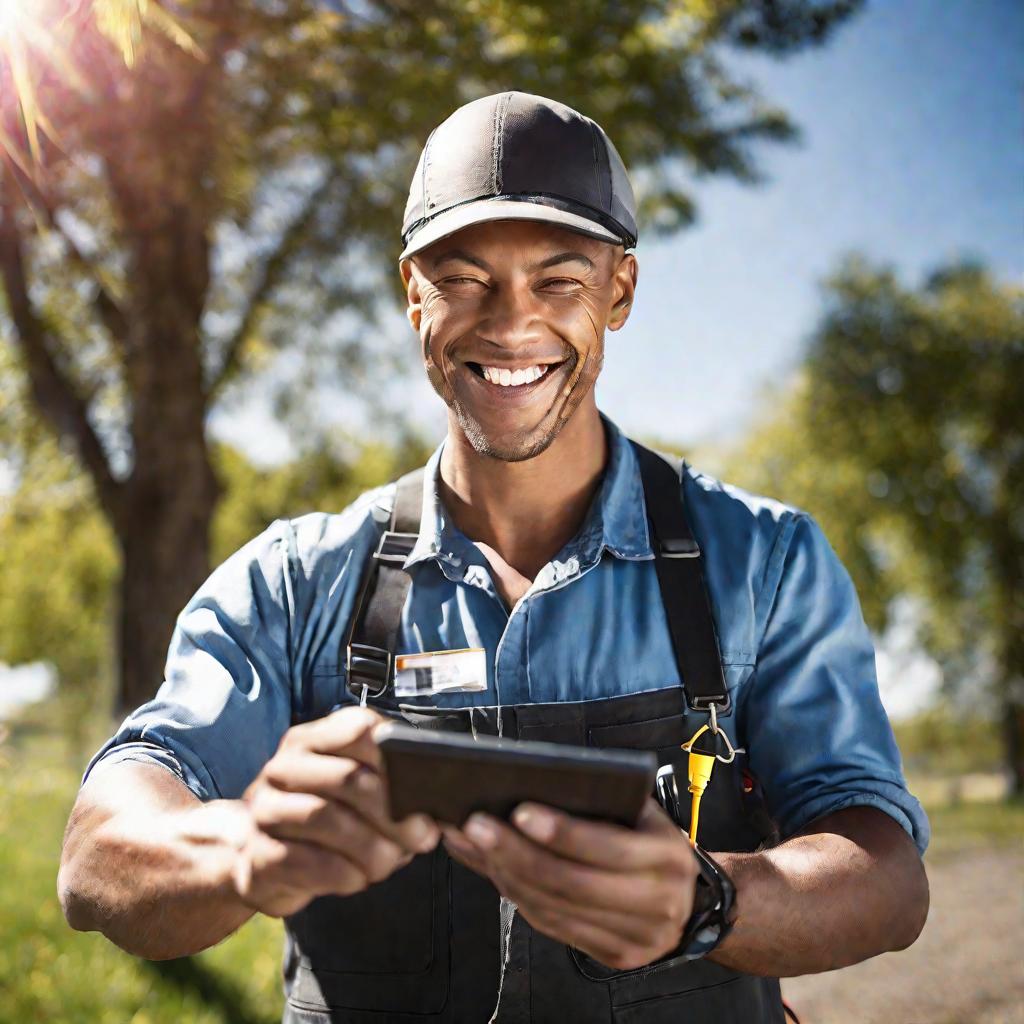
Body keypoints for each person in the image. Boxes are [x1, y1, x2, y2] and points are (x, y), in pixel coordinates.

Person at [58, 92, 929, 1023]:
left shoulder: (763, 563)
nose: (512, 325)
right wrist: (241, 848)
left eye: (560, 280)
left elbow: (885, 875)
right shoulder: (293, 583)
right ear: (412, 294)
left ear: (620, 292)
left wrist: (705, 899)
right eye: (466, 279)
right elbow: (97, 858)